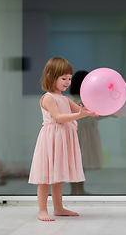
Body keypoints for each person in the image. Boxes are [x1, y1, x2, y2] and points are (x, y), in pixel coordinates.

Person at [28, 57, 98, 221]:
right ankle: (42, 210)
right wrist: (80, 114)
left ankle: (58, 208)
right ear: (51, 76)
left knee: (57, 176)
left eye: (69, 78)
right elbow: (59, 117)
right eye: (64, 78)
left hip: (62, 140)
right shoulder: (48, 98)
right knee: (45, 177)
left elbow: (82, 110)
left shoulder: (65, 99)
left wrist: (91, 111)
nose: (68, 82)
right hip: (51, 139)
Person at [69, 70, 104, 195]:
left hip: (82, 134)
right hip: (81, 135)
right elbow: (91, 116)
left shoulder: (79, 100)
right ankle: (76, 191)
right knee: (78, 165)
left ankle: (78, 190)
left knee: (79, 165)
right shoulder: (81, 101)